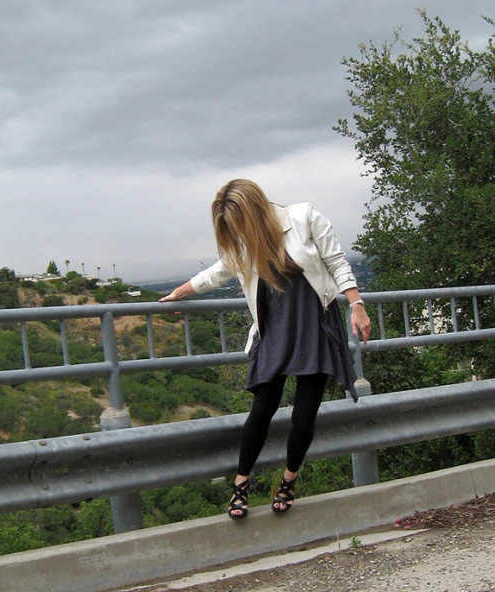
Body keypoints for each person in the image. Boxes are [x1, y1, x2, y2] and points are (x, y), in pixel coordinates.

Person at [159, 179, 371, 519]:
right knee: (262, 409)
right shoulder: (244, 245)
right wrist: (177, 294)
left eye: (240, 222)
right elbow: (215, 274)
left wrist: (356, 304)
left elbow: (336, 261)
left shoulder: (304, 217)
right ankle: (241, 483)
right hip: (273, 331)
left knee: (304, 417)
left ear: (255, 209)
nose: (238, 231)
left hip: (315, 326)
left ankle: (288, 481)